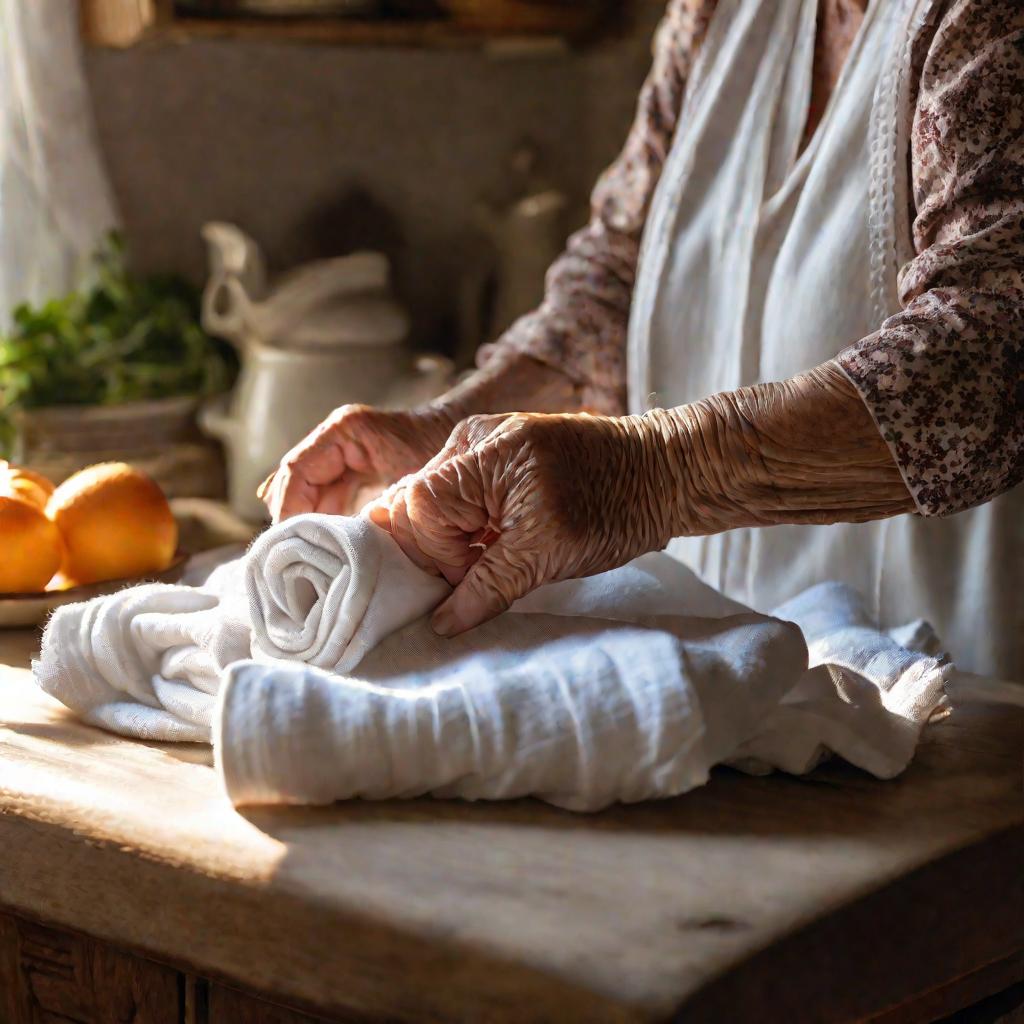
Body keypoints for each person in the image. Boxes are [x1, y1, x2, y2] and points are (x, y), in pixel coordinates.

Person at [261, 0, 1023, 679]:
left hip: (957, 692)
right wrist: (441, 431)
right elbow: (616, 278)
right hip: (735, 682)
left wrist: (651, 475)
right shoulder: (713, 13)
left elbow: (989, 353)